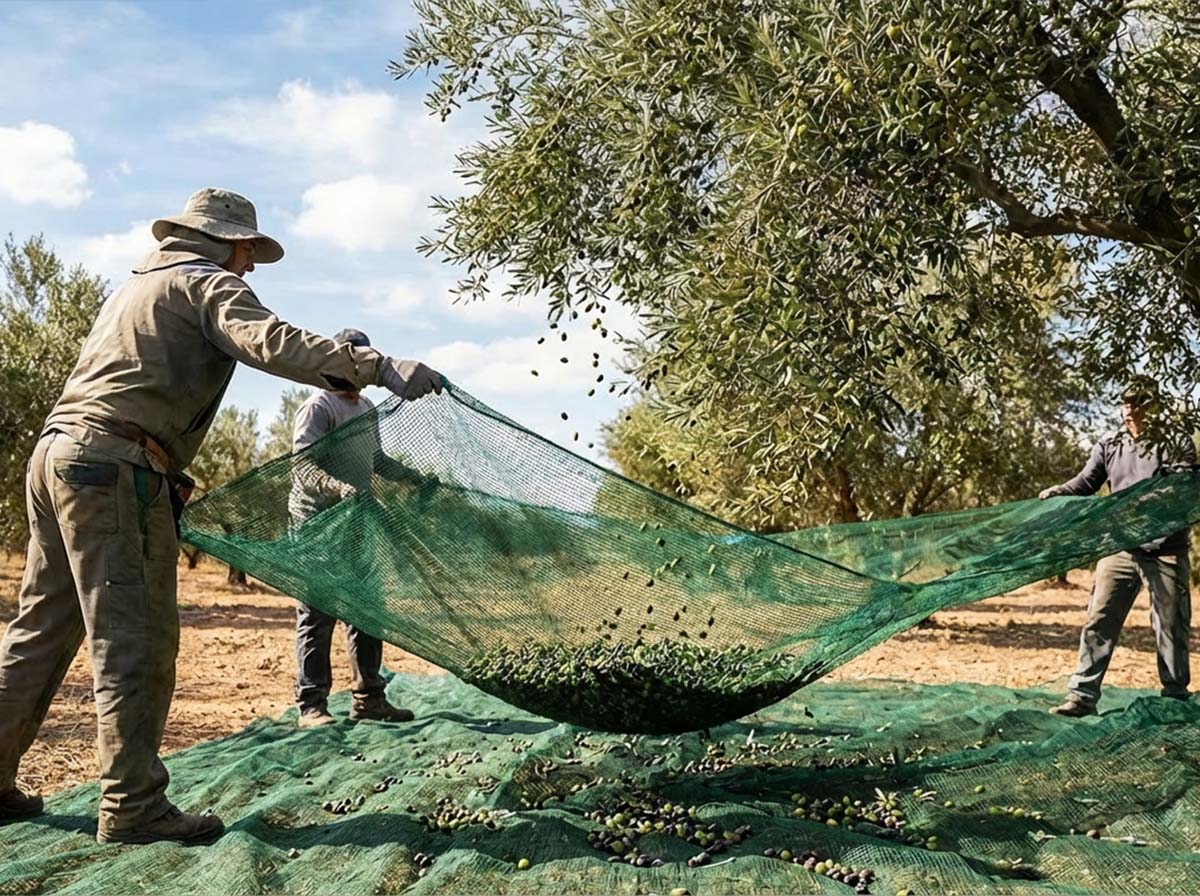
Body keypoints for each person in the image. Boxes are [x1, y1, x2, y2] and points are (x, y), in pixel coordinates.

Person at [0, 189, 442, 844]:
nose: (251, 265)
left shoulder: (136, 288)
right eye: (248, 250)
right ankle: (132, 805)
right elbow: (272, 341)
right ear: (224, 241)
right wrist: (379, 366)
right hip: (114, 467)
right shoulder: (203, 281)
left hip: (57, 458)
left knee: (40, 629)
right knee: (135, 639)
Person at [1038, 381, 1196, 717]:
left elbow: (1181, 490)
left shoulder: (1175, 442)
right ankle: (1082, 697)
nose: (1130, 410)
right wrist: (1059, 492)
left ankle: (1174, 699)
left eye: (1138, 403)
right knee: (1099, 619)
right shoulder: (1110, 445)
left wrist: (1136, 505)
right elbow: (1085, 483)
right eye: (1125, 403)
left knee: (1171, 625)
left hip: (1165, 549)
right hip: (1120, 547)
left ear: (1154, 406)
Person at [288, 328, 417, 728]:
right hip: (317, 526)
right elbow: (302, 464)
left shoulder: (366, 408)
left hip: (356, 522)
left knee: (367, 608)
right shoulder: (318, 407)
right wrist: (336, 487)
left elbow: (376, 460)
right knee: (318, 613)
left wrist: (413, 478)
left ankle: (369, 699)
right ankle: (312, 705)